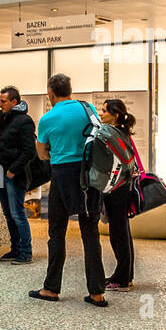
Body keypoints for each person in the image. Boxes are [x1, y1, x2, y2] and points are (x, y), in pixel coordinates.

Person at [31, 74, 107, 307]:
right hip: (90, 175)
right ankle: (97, 293)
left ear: (50, 93)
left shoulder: (47, 118)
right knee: (90, 233)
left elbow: (42, 153)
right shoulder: (88, 108)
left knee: (56, 233)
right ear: (71, 90)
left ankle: (51, 288)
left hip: (63, 175)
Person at [0, 85, 36, 264]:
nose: (0, 104)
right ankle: (15, 248)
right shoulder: (2, 118)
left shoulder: (24, 121)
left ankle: (26, 252)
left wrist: (12, 171)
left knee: (17, 214)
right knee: (8, 213)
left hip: (13, 175)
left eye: (3, 101)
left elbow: (29, 151)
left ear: (14, 102)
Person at [100, 99, 140, 291]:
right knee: (123, 232)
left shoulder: (111, 134)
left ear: (115, 115)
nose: (101, 114)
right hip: (123, 188)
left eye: (104, 111)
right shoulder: (122, 133)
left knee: (119, 234)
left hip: (116, 188)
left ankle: (122, 279)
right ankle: (125, 276)